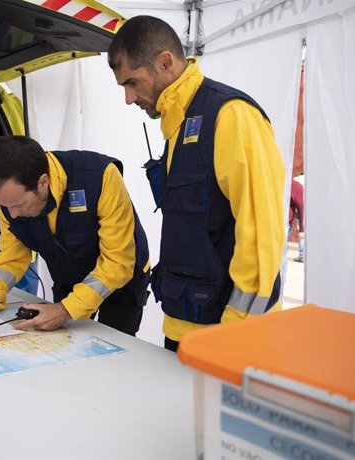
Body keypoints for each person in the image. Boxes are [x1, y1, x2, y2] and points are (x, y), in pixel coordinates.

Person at [108, 16, 286, 351]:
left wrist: (236, 335)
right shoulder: (178, 125)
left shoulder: (231, 115)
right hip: (184, 324)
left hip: (229, 335)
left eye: (132, 83)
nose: (129, 99)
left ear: (165, 62)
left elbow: (262, 237)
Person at [0, 135, 150, 336]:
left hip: (122, 282)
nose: (12, 214)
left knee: (116, 353)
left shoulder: (100, 177)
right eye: (5, 206)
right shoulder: (10, 202)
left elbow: (118, 261)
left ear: (43, 182)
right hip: (69, 277)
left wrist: (65, 310)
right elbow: (11, 256)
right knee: (66, 345)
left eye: (18, 205)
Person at [289, 178, 305, 262]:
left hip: (286, 224)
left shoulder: (294, 185)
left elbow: (302, 207)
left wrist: (302, 228)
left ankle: (303, 254)